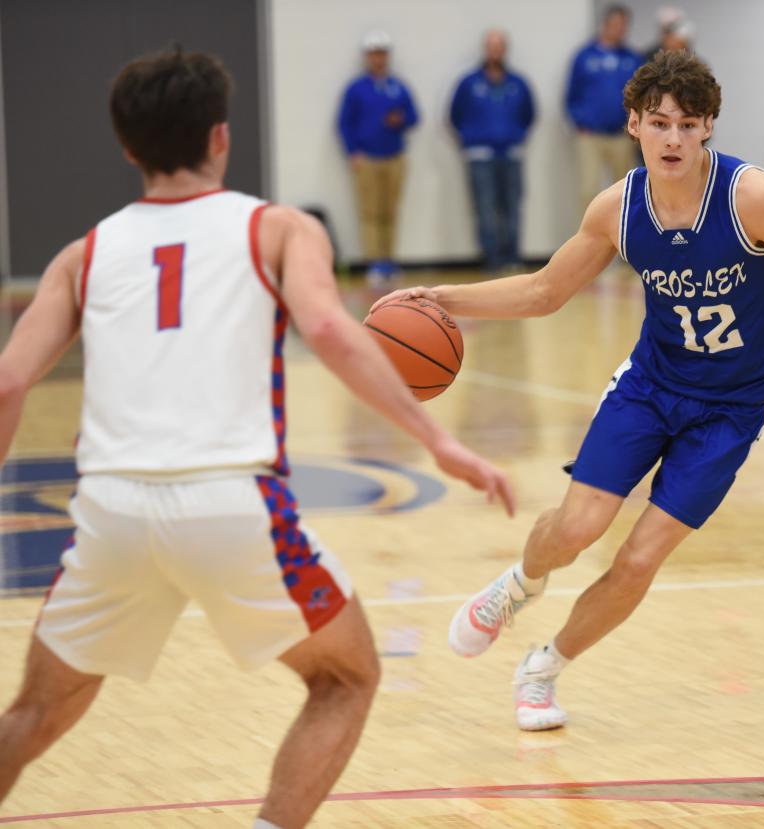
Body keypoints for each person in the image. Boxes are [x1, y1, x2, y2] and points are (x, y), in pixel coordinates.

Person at [0, 48, 514, 828]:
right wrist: (436, 439)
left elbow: (7, 382)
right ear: (220, 138)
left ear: (129, 148)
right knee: (346, 677)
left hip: (110, 512)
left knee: (33, 715)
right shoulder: (277, 228)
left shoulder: (84, 254)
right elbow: (334, 334)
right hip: (230, 504)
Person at [374, 50, 764, 731]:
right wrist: (442, 297)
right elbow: (544, 291)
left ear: (710, 126)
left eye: (689, 125)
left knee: (639, 556)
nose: (674, 139)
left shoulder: (753, 199)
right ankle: (517, 585)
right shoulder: (618, 208)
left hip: (731, 411)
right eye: (660, 124)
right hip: (652, 386)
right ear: (634, 124)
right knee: (577, 527)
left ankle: (543, 666)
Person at [336, 30, 420, 284]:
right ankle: (374, 262)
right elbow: (344, 123)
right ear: (367, 57)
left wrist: (400, 120)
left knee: (390, 210)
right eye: (374, 54)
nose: (378, 59)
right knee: (370, 211)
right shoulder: (356, 88)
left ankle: (389, 259)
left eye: (382, 53)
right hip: (368, 159)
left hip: (394, 157)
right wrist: (353, 152)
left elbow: (414, 116)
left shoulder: (398, 86)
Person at [450, 29, 536, 273]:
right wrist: (470, 139)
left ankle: (512, 257)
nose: (495, 51)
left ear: (505, 50)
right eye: (491, 46)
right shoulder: (469, 83)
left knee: (512, 206)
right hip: (480, 155)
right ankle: (492, 259)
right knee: (485, 209)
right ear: (485, 49)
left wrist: (516, 136)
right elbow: (455, 115)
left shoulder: (518, 83)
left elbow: (529, 114)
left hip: (511, 153)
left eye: (500, 46)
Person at [566, 4, 644, 212]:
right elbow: (572, 94)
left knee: (625, 189)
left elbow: (641, 96)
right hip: (590, 134)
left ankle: (623, 239)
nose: (619, 29)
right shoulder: (584, 56)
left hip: (622, 134)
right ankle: (589, 241)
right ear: (606, 24)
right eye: (615, 24)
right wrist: (579, 121)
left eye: (623, 25)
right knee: (589, 188)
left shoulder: (632, 58)